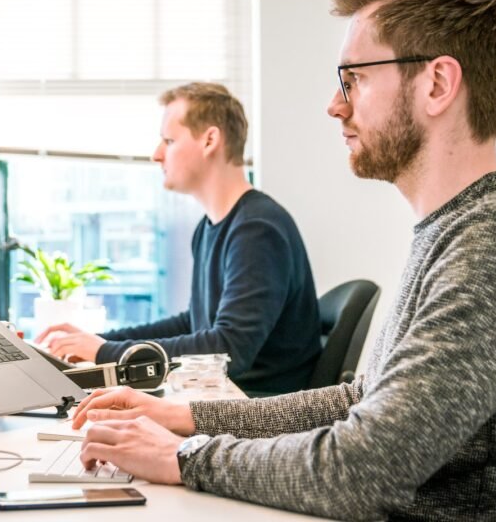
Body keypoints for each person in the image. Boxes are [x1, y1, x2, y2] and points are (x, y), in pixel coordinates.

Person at [68, 0, 496, 521]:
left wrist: (185, 456)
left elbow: (363, 469)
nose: (335, 105)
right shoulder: (455, 228)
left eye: (355, 79)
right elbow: (359, 400)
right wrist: (186, 418)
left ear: (437, 83)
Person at [42, 82, 322, 395]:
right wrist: (103, 342)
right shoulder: (211, 227)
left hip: (255, 410)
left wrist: (105, 353)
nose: (156, 155)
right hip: (224, 398)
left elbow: (229, 350)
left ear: (210, 140)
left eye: (169, 140)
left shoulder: (257, 231)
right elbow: (194, 323)